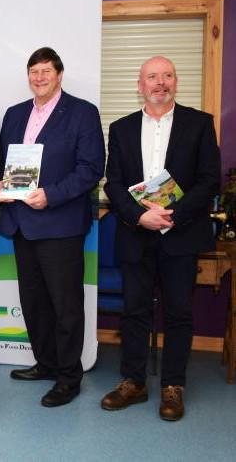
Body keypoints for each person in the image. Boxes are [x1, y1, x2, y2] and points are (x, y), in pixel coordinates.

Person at [101, 56, 220, 421]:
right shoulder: (121, 128)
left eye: (167, 75)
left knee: (179, 312)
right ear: (140, 85)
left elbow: (209, 180)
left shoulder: (199, 124)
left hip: (180, 233)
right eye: (152, 77)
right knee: (134, 310)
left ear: (176, 82)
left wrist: (172, 215)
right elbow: (113, 183)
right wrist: (140, 215)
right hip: (135, 234)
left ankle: (173, 386)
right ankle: (133, 382)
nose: (160, 82)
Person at [0, 47, 105, 406]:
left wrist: (51, 195)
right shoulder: (14, 114)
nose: (39, 77)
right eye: (34, 72)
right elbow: (3, 164)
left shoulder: (82, 113)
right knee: (34, 302)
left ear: (59, 75)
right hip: (21, 224)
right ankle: (46, 363)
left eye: (45, 71)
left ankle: (68, 376)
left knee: (65, 304)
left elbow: (91, 168)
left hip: (60, 223)